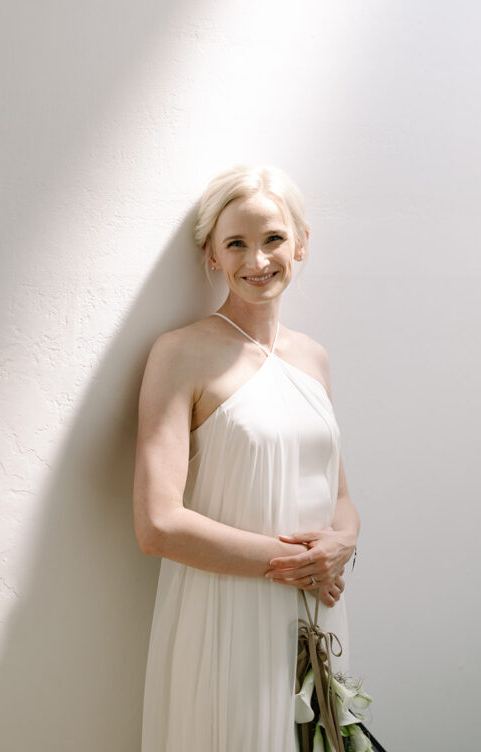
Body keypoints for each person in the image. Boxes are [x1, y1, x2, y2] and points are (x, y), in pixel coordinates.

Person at [133, 164, 360, 752]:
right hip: (226, 614)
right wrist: (299, 564)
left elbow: (338, 496)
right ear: (212, 254)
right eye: (236, 243)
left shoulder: (314, 358)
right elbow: (158, 525)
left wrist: (345, 542)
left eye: (273, 238)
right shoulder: (180, 353)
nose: (257, 260)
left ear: (301, 243)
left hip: (314, 613)